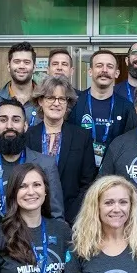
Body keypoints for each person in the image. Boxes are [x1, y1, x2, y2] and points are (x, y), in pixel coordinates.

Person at [0, 100, 64, 226]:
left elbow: (56, 216)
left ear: (25, 126)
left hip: (33, 241)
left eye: (16, 120)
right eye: (3, 120)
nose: (9, 126)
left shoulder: (46, 165)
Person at [28, 76, 97, 221]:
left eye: (62, 99)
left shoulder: (81, 137)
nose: (56, 103)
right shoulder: (28, 137)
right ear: (40, 101)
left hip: (72, 217)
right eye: (51, 98)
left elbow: (88, 182)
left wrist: (72, 215)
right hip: (33, 215)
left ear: (68, 103)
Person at [70, 49, 134, 166]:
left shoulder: (127, 108)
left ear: (117, 73)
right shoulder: (74, 104)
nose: (104, 70)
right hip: (78, 174)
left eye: (109, 66)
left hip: (114, 173)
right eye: (99, 66)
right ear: (90, 71)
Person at [0, 42, 41, 124]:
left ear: (34, 67)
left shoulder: (46, 100)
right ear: (9, 66)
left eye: (26, 62)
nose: (21, 66)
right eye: (17, 62)